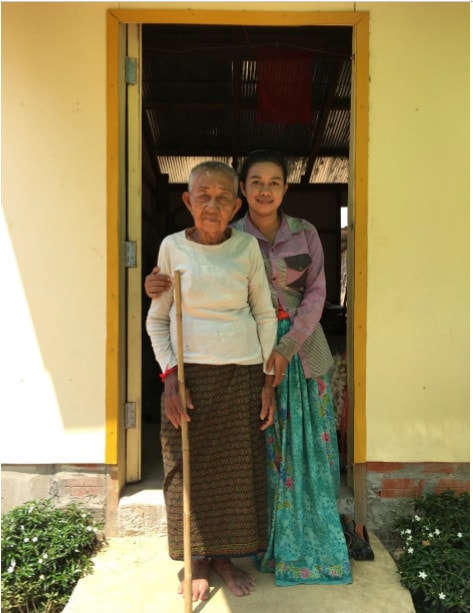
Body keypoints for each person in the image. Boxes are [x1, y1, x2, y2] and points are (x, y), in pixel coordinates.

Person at [146, 150, 352, 587]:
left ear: (284, 189)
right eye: (255, 181)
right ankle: (219, 552)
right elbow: (167, 304)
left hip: (288, 353)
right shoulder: (216, 236)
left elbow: (313, 294)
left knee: (284, 456)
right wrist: (154, 285)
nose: (264, 190)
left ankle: (293, 542)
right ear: (244, 190)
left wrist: (283, 350)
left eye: (273, 182)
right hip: (228, 362)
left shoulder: (299, 233)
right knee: (245, 458)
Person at [145, 161, 278, 602]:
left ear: (236, 205)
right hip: (188, 376)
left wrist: (265, 380)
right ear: (187, 201)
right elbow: (157, 320)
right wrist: (169, 380)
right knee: (185, 467)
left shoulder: (245, 249)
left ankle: (225, 557)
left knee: (236, 471)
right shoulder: (171, 248)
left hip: (241, 373)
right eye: (203, 195)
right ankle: (195, 558)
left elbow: (262, 313)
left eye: (224, 197)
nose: (213, 204)